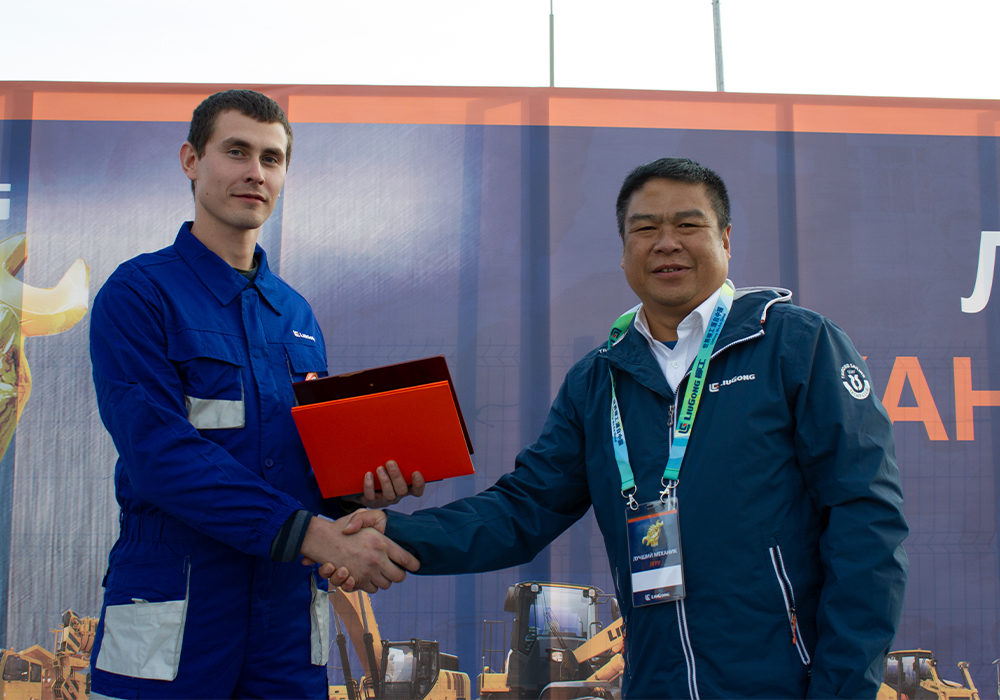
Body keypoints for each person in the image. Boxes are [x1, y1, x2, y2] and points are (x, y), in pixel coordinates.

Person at [344, 158, 909, 699]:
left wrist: (840, 691)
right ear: (623, 251)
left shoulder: (795, 345)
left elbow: (867, 523)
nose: (666, 243)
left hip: (786, 685)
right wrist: (396, 532)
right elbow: (522, 508)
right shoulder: (598, 380)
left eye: (688, 225)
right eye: (645, 229)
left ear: (725, 240)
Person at [88, 89, 420, 700]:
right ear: (191, 160)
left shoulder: (295, 314)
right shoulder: (139, 294)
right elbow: (160, 455)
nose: (256, 173)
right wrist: (309, 534)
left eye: (272, 158)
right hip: (178, 602)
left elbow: (302, 459)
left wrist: (358, 488)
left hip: (286, 621)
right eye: (236, 151)